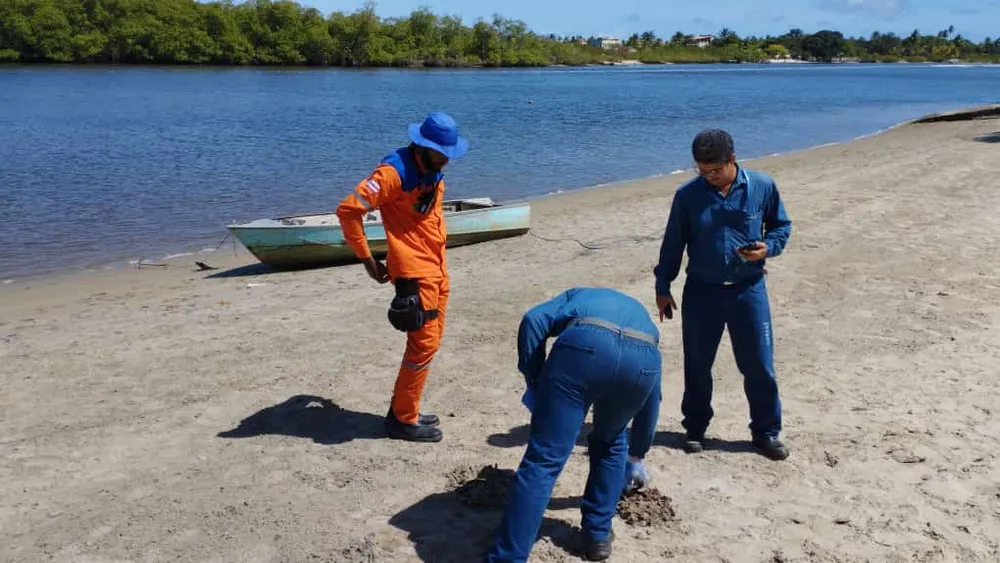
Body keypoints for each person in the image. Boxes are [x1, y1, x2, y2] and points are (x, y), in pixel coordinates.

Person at [486, 287, 662, 562]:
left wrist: (535, 381)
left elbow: (533, 319)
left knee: (544, 459)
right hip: (644, 359)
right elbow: (652, 399)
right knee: (612, 442)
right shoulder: (644, 320)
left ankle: (507, 558)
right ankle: (597, 537)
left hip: (585, 347)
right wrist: (638, 452)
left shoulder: (575, 296)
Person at [653, 128, 792, 461]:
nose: (709, 176)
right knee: (698, 364)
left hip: (749, 291)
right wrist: (663, 286)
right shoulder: (687, 196)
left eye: (715, 170)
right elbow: (673, 244)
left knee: (759, 365)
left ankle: (766, 432)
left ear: (732, 159)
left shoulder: (762, 186)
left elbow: (780, 227)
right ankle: (696, 428)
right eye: (702, 171)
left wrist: (767, 249)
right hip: (702, 292)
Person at [334, 111, 469, 443]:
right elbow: (348, 211)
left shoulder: (432, 167)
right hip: (413, 272)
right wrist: (367, 259)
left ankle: (406, 407)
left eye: (449, 154)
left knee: (431, 343)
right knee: (422, 345)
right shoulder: (393, 173)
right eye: (441, 154)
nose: (446, 161)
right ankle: (402, 419)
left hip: (436, 266)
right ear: (422, 147)